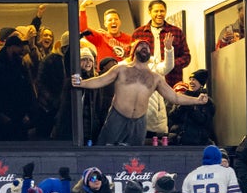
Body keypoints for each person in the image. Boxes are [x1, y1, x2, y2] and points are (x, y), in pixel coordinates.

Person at [72, 40, 208, 146]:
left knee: (136, 156)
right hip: (117, 117)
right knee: (106, 149)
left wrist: (197, 100)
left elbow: (174, 97)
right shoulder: (121, 69)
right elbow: (100, 81)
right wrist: (81, 83)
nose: (145, 47)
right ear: (133, 51)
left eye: (147, 46)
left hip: (139, 122)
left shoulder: (155, 78)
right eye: (141, 45)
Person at [0, 35, 36, 141]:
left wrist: (27, 112)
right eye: (19, 48)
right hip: (2, 118)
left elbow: (26, 90)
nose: (22, 51)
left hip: (18, 117)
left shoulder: (19, 66)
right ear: (11, 47)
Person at [132, 0, 191, 86]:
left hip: (171, 82)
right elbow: (132, 57)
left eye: (162, 11)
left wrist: (168, 63)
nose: (159, 14)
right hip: (145, 82)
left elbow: (186, 57)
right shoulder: (138, 33)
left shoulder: (176, 32)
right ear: (149, 12)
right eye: (156, 11)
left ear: (165, 12)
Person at [167, 69, 216, 146]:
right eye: (190, 79)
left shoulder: (207, 102)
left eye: (194, 80)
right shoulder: (181, 98)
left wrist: (190, 106)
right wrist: (181, 106)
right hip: (176, 141)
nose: (191, 82)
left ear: (201, 83)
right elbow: (172, 117)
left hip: (196, 143)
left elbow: (203, 120)